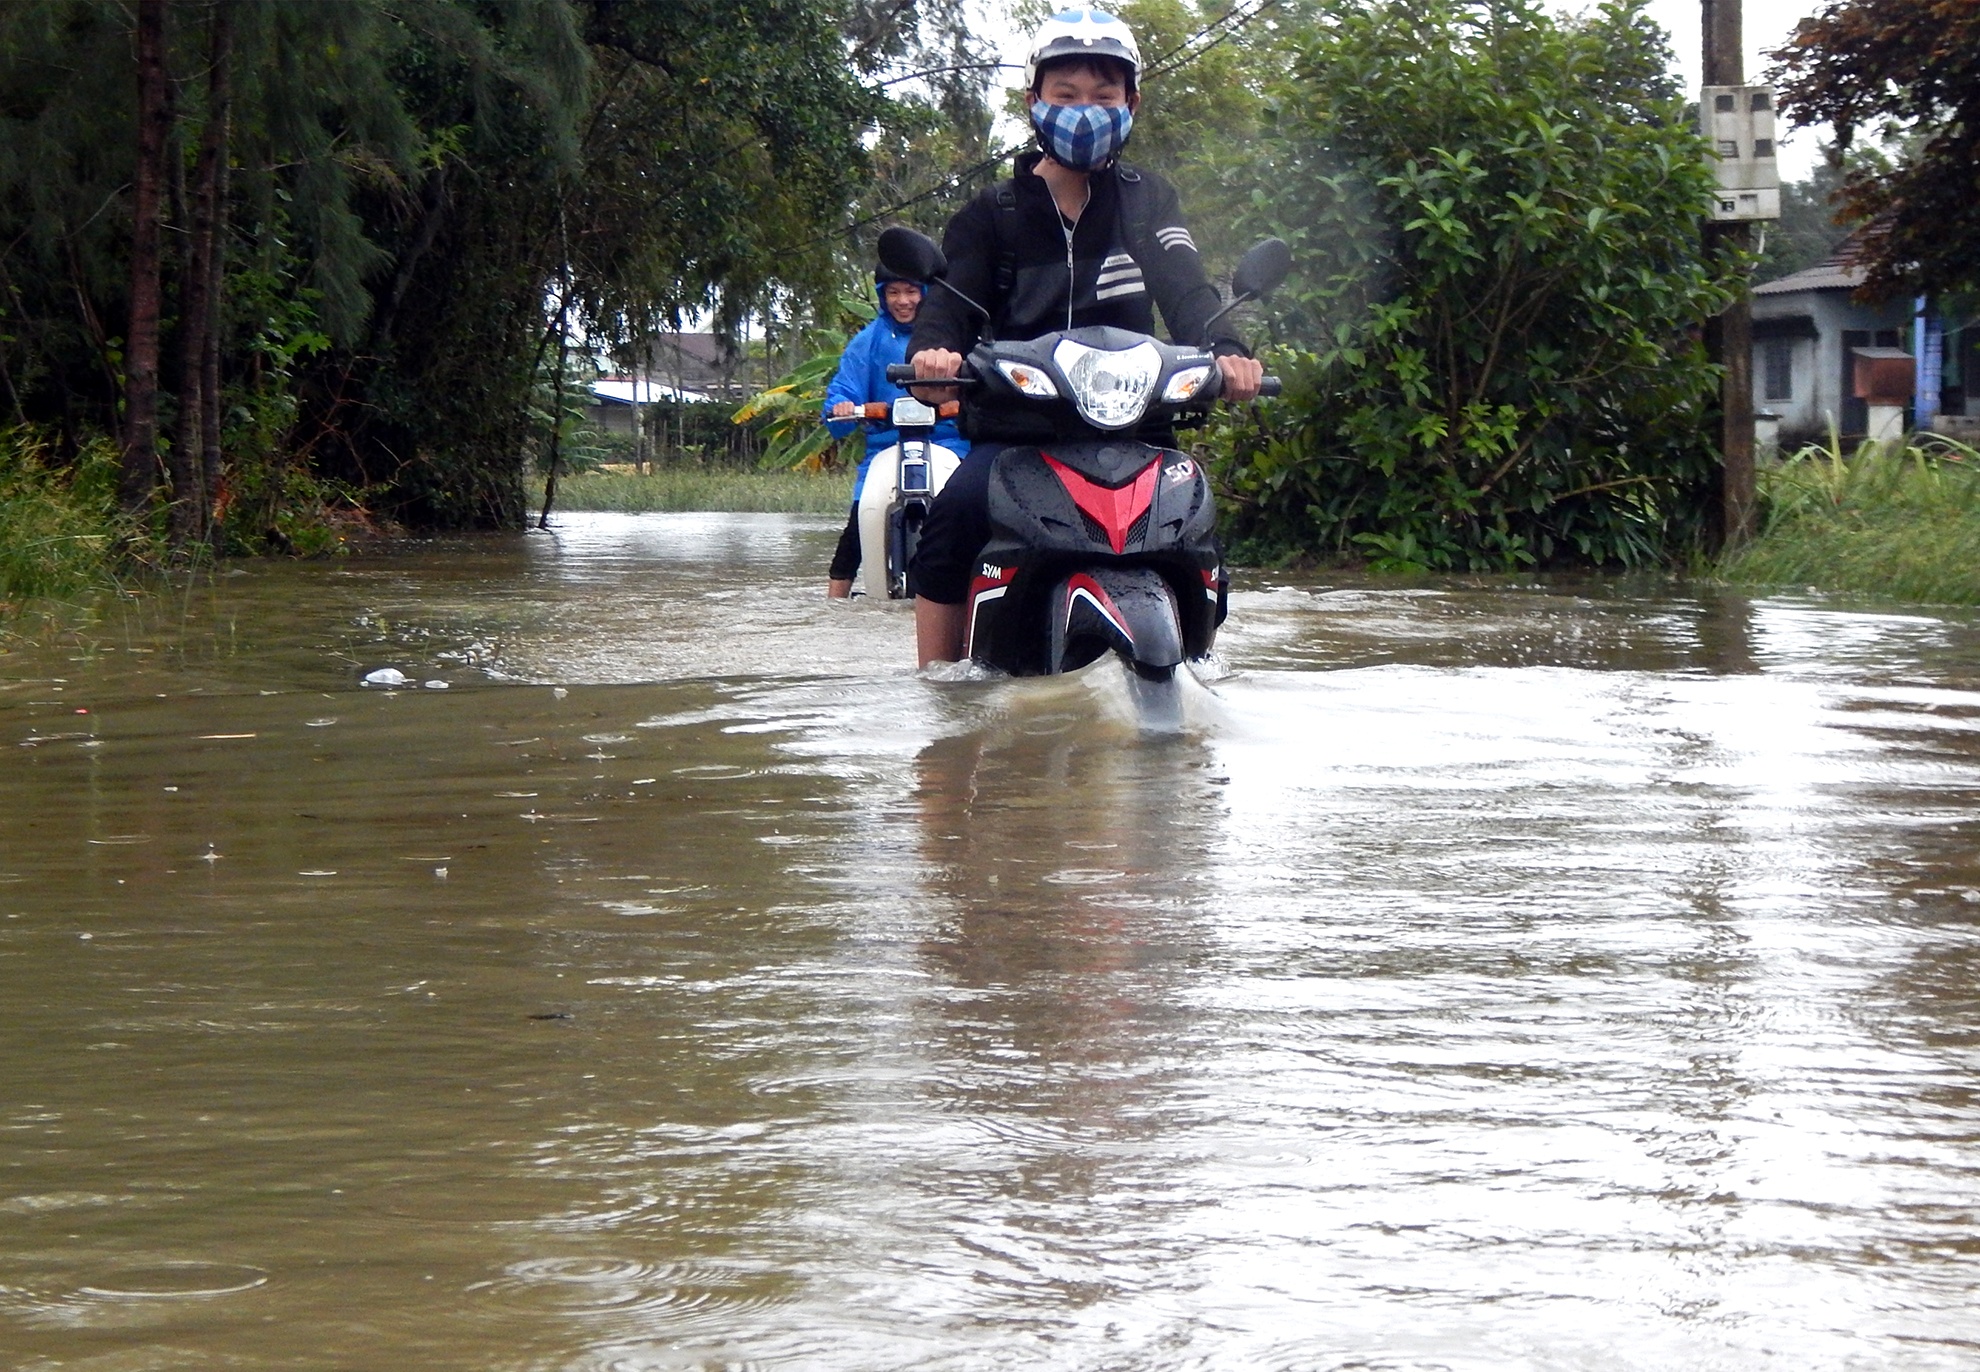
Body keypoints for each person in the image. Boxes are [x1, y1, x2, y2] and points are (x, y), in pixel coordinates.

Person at [904, 8, 1264, 664]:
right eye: (1066, 95)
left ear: (1132, 102)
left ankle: (1205, 672)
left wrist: (1229, 351)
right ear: (1034, 101)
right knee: (952, 518)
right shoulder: (992, 213)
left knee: (1199, 526)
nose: (1085, 110)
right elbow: (947, 309)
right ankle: (936, 695)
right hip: (1018, 433)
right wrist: (932, 353)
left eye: (1104, 96)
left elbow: (1188, 291)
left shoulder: (1146, 200)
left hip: (1137, 429)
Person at [821, 266, 969, 597]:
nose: (903, 301)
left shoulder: (951, 338)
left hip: (950, 442)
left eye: (911, 291)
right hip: (885, 448)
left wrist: (969, 403)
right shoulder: (866, 342)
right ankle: (832, 606)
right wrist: (843, 406)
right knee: (859, 524)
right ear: (882, 295)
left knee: (971, 512)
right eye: (893, 292)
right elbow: (842, 390)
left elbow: (977, 380)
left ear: (925, 293)